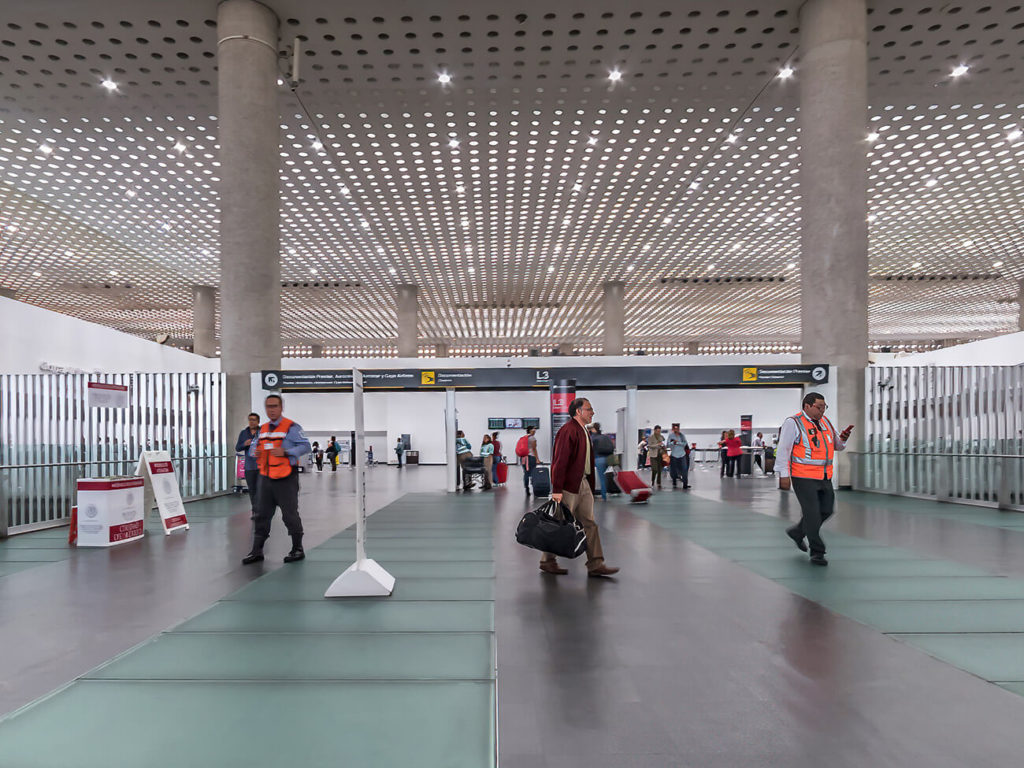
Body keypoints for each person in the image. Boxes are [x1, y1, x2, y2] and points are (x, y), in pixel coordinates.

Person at [541, 397, 619, 578]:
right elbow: (559, 462)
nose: (592, 412)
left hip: (582, 484)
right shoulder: (567, 431)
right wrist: (557, 489)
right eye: (589, 409)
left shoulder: (583, 430)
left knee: (589, 523)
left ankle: (596, 563)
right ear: (578, 411)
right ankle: (547, 561)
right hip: (569, 486)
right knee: (559, 524)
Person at [777, 391, 853, 566]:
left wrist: (843, 439)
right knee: (812, 514)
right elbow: (783, 450)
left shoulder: (825, 422)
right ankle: (817, 552)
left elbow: (837, 446)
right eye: (819, 407)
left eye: (824, 407)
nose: (822, 411)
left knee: (826, 510)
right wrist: (784, 475)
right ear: (807, 406)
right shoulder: (793, 423)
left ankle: (797, 531)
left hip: (824, 476)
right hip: (802, 476)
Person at [242, 394, 312, 565]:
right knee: (261, 515)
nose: (271, 409)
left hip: (286, 478)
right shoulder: (263, 429)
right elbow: (253, 449)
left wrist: (287, 452)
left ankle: (297, 549)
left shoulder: (292, 427)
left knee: (289, 514)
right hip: (265, 478)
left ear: (281, 408)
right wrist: (255, 452)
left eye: (274, 406)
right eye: (268, 406)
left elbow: (306, 446)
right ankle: (257, 551)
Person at [234, 412, 261, 519]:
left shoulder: (262, 432)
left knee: (261, 490)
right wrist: (244, 444)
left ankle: (262, 510)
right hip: (249, 467)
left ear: (258, 421)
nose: (251, 422)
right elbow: (237, 448)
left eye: (254, 420)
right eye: (250, 419)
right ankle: (255, 511)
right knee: (252, 490)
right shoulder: (243, 433)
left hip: (261, 466)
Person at [590, 422, 615, 501]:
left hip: (599, 459)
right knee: (605, 477)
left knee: (601, 478)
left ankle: (603, 496)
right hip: (609, 459)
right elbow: (612, 447)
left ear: (594, 429)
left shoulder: (592, 438)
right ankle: (606, 493)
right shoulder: (605, 437)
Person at [666, 423, 690, 489]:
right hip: (674, 455)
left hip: (682, 455)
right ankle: (674, 482)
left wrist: (677, 443)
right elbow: (668, 444)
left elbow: (685, 444)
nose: (676, 430)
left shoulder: (682, 436)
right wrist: (673, 443)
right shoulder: (671, 436)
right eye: (675, 428)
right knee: (673, 470)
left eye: (677, 428)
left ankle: (685, 484)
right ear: (673, 429)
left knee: (684, 470)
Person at [520, 426, 539, 496]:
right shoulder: (532, 438)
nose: (535, 431)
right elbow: (534, 449)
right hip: (530, 457)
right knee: (533, 473)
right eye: (534, 429)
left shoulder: (523, 438)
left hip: (523, 458)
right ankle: (534, 488)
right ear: (530, 430)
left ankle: (527, 488)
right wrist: (537, 459)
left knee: (526, 473)